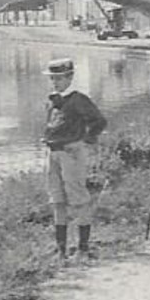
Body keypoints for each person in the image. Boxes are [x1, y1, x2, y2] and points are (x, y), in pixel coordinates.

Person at [42, 57, 109, 263]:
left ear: (70, 77)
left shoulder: (78, 99)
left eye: (60, 78)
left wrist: (84, 140)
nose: (56, 82)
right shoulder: (54, 101)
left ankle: (82, 248)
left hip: (71, 154)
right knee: (57, 200)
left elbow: (99, 121)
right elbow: (53, 124)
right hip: (53, 154)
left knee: (79, 199)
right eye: (53, 78)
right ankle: (61, 250)